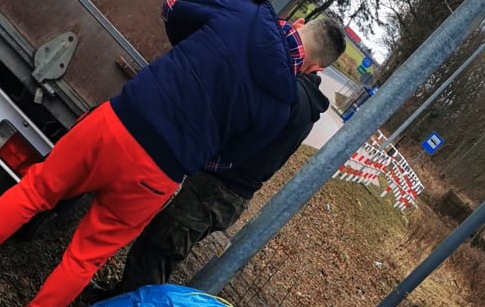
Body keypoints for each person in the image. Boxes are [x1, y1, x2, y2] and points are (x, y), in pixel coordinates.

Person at [0, 0, 346, 307]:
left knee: (36, 191)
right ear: (314, 69)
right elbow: (228, 160)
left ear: (300, 22)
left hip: (119, 123)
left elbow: (173, 5)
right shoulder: (281, 104)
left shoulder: (249, 13)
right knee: (87, 255)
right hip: (158, 174)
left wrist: (187, 53)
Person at [117, 66, 330, 292]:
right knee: (161, 247)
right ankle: (116, 305)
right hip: (232, 194)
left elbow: (243, 135)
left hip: (216, 187)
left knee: (158, 250)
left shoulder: (290, 95)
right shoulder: (308, 109)